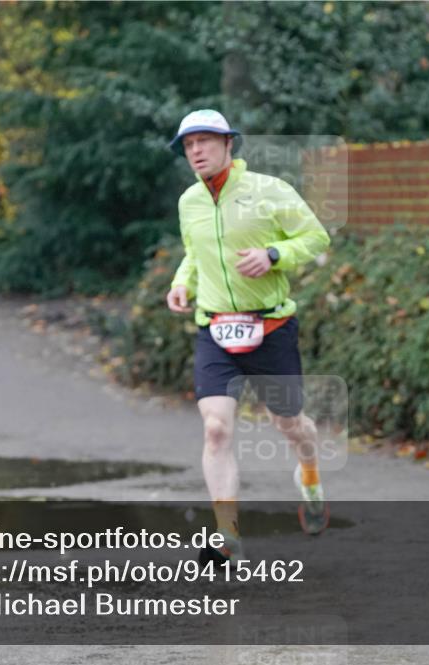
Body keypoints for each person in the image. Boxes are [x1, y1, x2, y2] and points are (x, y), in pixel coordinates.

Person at [165, 109, 332, 565]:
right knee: (216, 429)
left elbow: (316, 237)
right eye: (188, 144)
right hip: (215, 329)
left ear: (228, 144)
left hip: (271, 327)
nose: (196, 151)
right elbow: (194, 256)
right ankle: (227, 534)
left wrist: (274, 253)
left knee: (290, 424)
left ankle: (311, 476)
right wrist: (183, 282)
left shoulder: (269, 191)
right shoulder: (189, 202)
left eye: (204, 141)